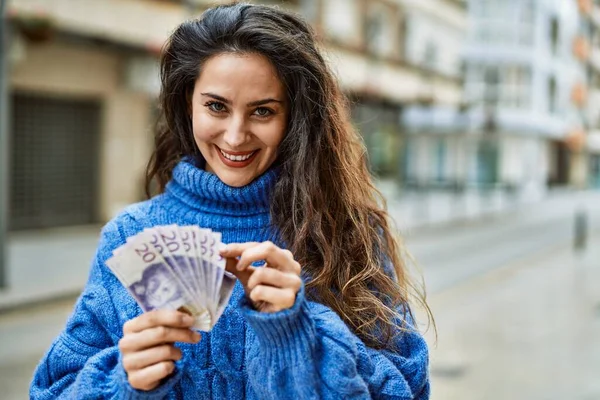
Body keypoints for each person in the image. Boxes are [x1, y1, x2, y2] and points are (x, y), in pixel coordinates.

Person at [30, 3, 432, 399]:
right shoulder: (130, 234)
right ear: (187, 103)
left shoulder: (345, 231)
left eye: (262, 111)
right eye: (216, 106)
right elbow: (51, 391)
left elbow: (406, 388)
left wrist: (300, 334)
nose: (236, 136)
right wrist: (123, 383)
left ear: (294, 118)